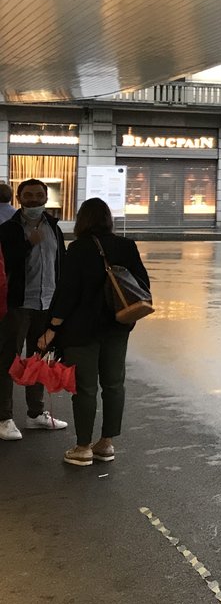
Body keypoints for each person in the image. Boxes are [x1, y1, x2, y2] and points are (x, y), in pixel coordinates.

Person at [39, 197, 149, 467]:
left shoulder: (78, 249)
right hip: (117, 325)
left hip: (81, 330)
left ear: (82, 220)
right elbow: (143, 286)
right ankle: (107, 443)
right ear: (108, 220)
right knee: (114, 384)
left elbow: (67, 293)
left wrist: (52, 328)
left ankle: (83, 447)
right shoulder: (127, 246)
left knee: (86, 389)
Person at [0, 178, 68, 440]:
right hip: (18, 305)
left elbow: (60, 264)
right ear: (19, 198)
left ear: (45, 198)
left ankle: (35, 413)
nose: (34, 200)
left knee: (39, 358)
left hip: (47, 303)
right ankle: (4, 417)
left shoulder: (54, 227)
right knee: (9, 358)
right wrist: (29, 242)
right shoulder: (8, 229)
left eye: (39, 195)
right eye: (28, 195)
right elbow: (6, 263)